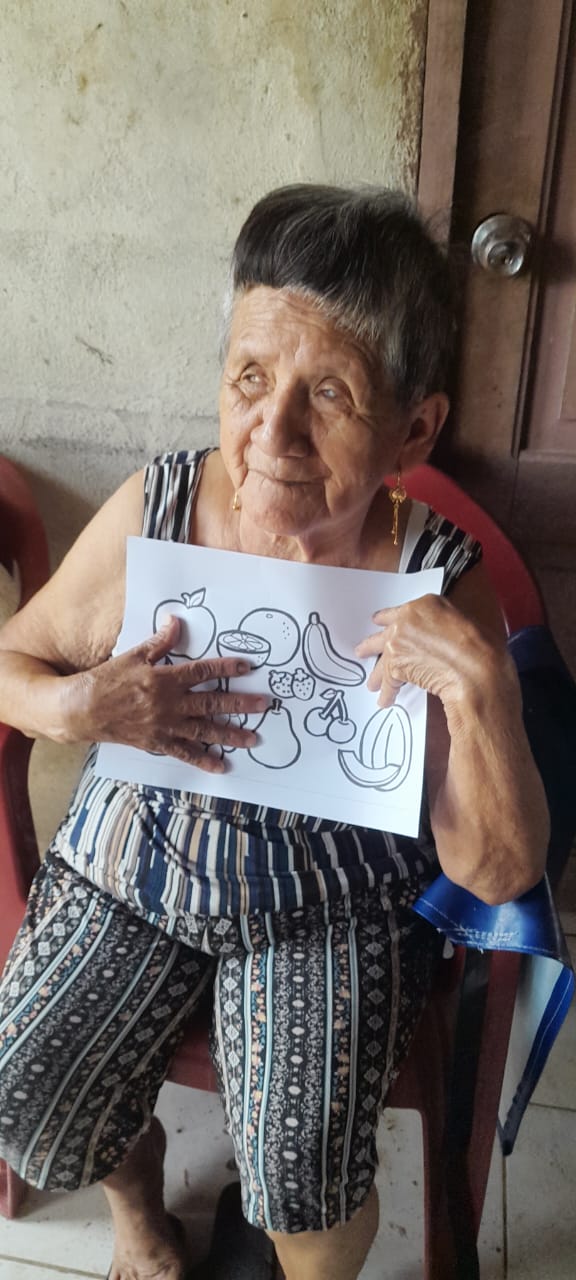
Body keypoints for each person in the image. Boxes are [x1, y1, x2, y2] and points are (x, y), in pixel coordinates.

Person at [0, 185, 549, 1280]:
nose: (273, 431)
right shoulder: (158, 507)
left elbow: (497, 871)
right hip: (135, 858)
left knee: (302, 1171)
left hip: (333, 902)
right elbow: (15, 660)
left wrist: (484, 689)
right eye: (250, 378)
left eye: (330, 393)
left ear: (414, 429)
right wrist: (78, 705)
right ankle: (139, 1204)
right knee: (28, 1098)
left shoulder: (438, 580)